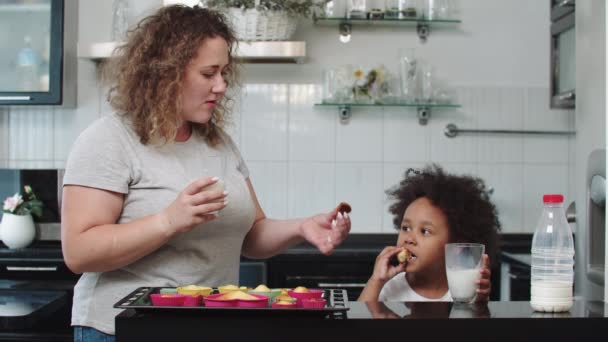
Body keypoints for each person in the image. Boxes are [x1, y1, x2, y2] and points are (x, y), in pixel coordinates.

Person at [61, 5, 351, 340]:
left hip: (206, 327)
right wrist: (168, 221)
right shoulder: (109, 140)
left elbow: (252, 235)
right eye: (209, 73)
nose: (221, 86)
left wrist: (302, 227)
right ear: (165, 73)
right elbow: (79, 252)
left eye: (224, 73)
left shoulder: (217, 142)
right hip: (122, 329)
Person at [358, 165, 500, 302]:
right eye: (406, 228)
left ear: (456, 246)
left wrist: (479, 300)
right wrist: (375, 280)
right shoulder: (389, 287)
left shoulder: (462, 290)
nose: (409, 239)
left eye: (425, 231)